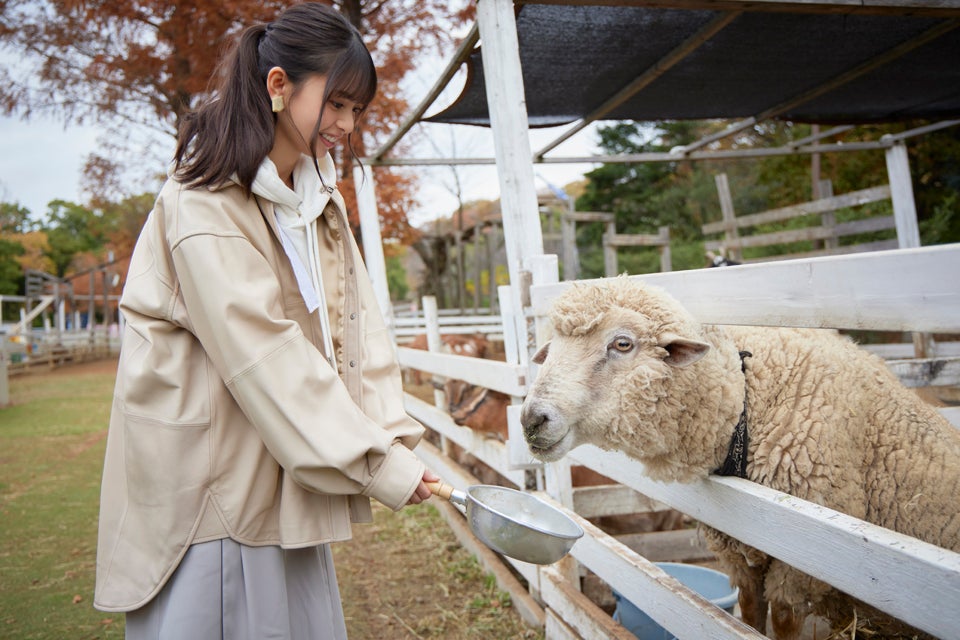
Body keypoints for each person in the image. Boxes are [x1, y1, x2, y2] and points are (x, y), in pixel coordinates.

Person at [94, 4, 438, 638]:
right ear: (279, 85)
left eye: (357, 109)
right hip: (213, 488)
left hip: (282, 472)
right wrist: (375, 463)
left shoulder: (313, 198)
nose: (347, 124)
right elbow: (264, 353)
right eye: (337, 103)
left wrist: (391, 439)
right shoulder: (203, 202)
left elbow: (358, 329)